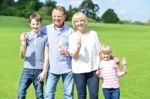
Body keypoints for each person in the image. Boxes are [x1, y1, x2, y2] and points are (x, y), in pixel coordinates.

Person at [41, 6, 74, 99]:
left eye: (59, 16)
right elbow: (34, 33)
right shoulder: (45, 29)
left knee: (68, 95)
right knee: (48, 94)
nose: (56, 18)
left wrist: (67, 52)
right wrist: (24, 35)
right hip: (52, 68)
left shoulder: (70, 31)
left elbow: (75, 49)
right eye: (54, 16)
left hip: (68, 68)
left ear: (64, 17)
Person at [68, 12, 101, 99]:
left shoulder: (93, 34)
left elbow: (99, 51)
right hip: (79, 71)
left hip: (93, 70)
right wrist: (78, 47)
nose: (79, 23)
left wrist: (100, 67)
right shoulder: (72, 37)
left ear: (85, 21)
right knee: (81, 96)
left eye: (81, 20)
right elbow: (74, 56)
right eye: (76, 21)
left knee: (94, 95)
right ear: (74, 23)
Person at [17, 13, 49, 99]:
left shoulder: (45, 37)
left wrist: (44, 72)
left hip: (39, 71)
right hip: (27, 70)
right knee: (20, 93)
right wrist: (23, 44)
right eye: (33, 24)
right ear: (30, 24)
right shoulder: (26, 36)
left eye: (37, 24)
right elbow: (22, 56)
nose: (35, 26)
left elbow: (46, 56)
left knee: (39, 94)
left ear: (40, 24)